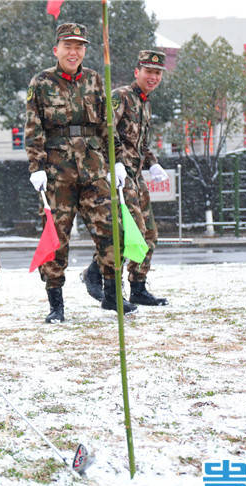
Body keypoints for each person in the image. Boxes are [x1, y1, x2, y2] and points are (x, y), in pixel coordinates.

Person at [25, 22, 135, 323]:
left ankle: (112, 296)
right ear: (56, 49)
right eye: (68, 46)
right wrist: (36, 167)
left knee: (113, 231)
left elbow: (107, 124)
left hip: (94, 167)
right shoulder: (41, 82)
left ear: (84, 50)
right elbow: (33, 128)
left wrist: (116, 160)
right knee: (55, 239)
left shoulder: (95, 80)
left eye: (79, 46)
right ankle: (56, 304)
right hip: (57, 170)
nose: (74, 52)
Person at [81, 50, 169, 306]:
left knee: (150, 234)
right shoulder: (121, 97)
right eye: (148, 71)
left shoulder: (145, 103)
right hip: (117, 175)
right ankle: (96, 273)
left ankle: (138, 287)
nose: (153, 77)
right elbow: (102, 130)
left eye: (157, 73)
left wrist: (153, 164)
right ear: (137, 72)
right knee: (132, 231)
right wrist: (113, 164)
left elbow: (141, 144)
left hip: (135, 174)